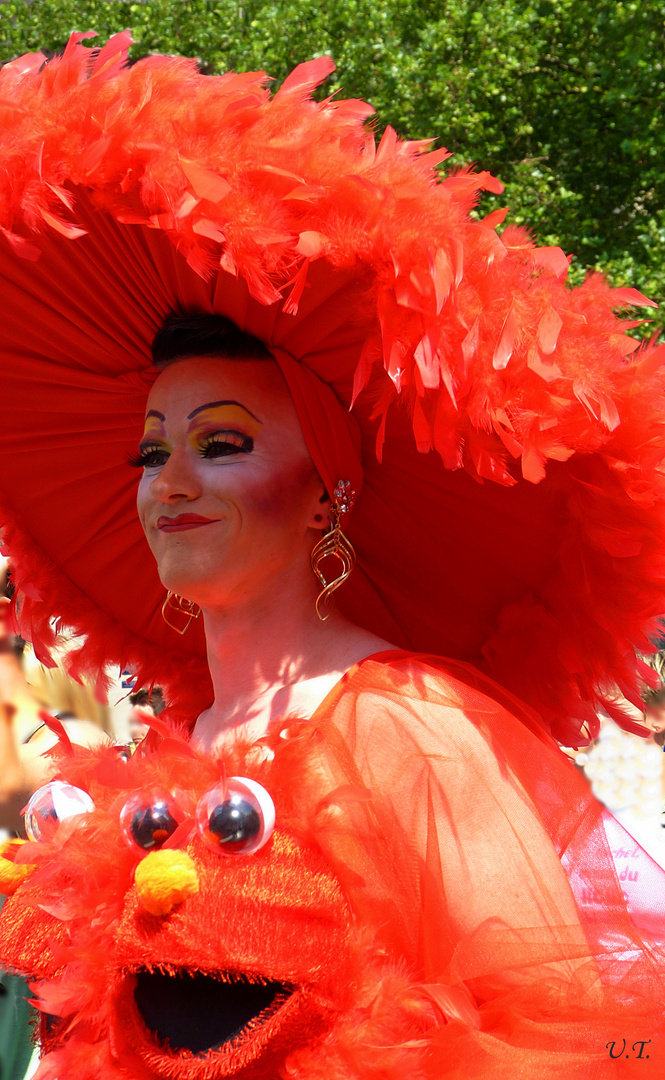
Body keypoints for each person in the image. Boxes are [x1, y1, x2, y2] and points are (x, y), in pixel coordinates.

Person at [1, 32, 665, 1078]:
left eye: (221, 444)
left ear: (325, 492)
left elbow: (565, 1034)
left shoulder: (406, 719)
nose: (169, 481)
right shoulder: (176, 742)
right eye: (151, 449)